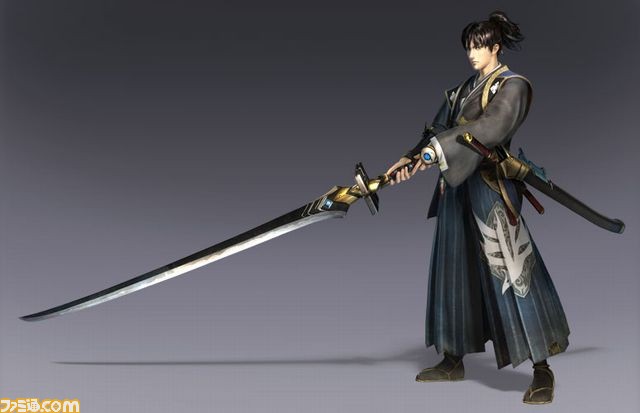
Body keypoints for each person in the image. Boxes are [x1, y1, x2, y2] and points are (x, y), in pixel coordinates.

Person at [386, 11, 570, 404]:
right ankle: (453, 359)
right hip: (455, 189)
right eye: (468, 47)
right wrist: (411, 159)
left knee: (513, 271)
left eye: (479, 47)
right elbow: (436, 132)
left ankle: (542, 368)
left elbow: (490, 128)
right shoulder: (460, 91)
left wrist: (435, 151)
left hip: (489, 189)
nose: (472, 54)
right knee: (453, 272)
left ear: (495, 47)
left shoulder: (512, 86)